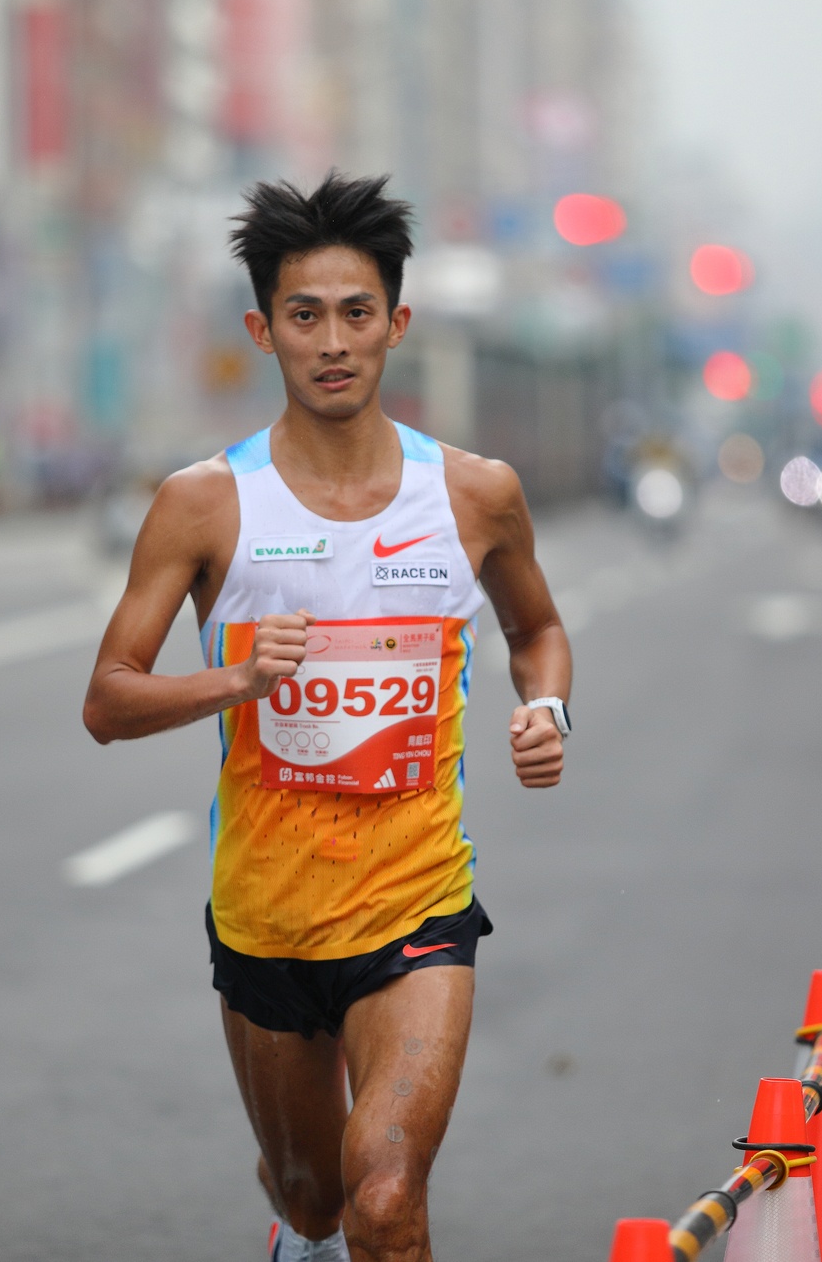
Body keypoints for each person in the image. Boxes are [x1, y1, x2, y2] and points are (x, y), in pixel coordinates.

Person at [82, 171, 572, 1262]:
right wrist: (237, 681)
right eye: (305, 316)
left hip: (416, 899)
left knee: (383, 1198)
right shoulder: (204, 503)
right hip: (266, 913)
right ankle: (297, 1225)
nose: (334, 341)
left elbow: (538, 629)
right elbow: (107, 698)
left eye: (358, 312)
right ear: (262, 332)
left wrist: (547, 709)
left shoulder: (473, 495)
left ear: (398, 322)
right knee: (313, 1198)